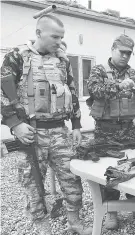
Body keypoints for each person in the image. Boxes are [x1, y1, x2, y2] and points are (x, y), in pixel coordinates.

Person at [0, 15, 92, 234]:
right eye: (55, 36)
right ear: (39, 33)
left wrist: (77, 125)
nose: (59, 41)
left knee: (71, 178)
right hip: (31, 131)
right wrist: (15, 125)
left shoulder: (62, 60)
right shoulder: (16, 57)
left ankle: (74, 223)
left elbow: (71, 90)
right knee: (33, 184)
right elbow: (3, 91)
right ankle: (43, 228)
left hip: (60, 130)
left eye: (62, 37)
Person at [86, 34, 135, 230]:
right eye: (122, 52)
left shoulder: (134, 74)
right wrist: (118, 85)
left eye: (129, 53)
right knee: (107, 173)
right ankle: (111, 212)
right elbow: (94, 90)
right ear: (113, 49)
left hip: (130, 132)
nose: (125, 56)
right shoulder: (99, 70)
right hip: (106, 132)